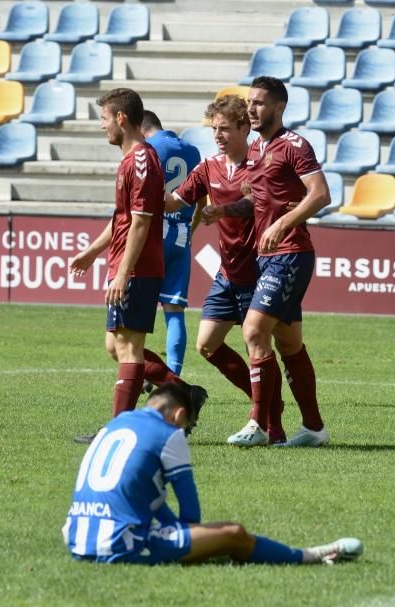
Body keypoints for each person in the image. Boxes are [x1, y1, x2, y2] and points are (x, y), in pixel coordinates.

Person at [63, 383, 364, 565]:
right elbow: (191, 514)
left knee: (208, 535)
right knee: (234, 534)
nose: (185, 432)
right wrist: (189, 540)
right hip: (118, 545)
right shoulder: (169, 433)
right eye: (187, 426)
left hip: (76, 536)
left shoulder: (114, 424)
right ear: (180, 415)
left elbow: (140, 494)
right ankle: (314, 554)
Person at [202, 76, 331, 448]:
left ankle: (258, 425)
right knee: (289, 345)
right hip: (268, 256)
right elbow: (257, 202)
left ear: (279, 107)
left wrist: (283, 222)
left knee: (254, 332)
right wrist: (225, 209)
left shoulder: (294, 145)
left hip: (290, 253)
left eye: (259, 103)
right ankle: (314, 429)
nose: (252, 108)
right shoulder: (257, 149)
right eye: (250, 102)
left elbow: (320, 194)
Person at [166, 94, 287, 445]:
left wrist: (226, 209)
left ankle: (268, 422)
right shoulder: (208, 167)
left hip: (261, 270)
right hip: (228, 273)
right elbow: (177, 200)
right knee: (207, 344)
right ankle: (266, 402)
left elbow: (260, 204)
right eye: (214, 129)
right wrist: (144, 196)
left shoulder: (260, 165)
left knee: (258, 346)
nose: (217, 135)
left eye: (225, 129)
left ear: (245, 128)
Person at [68, 88, 166, 428]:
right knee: (116, 345)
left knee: (128, 349)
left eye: (104, 118)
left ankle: (118, 429)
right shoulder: (131, 160)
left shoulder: (140, 161)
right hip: (128, 264)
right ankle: (182, 392)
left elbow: (141, 222)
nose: (102, 126)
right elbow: (123, 218)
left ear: (121, 118)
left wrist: (124, 273)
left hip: (136, 268)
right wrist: (93, 252)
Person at [140, 110, 202, 377]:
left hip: (153, 232)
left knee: (136, 310)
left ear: (141, 128)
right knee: (174, 311)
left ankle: (139, 371)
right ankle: (174, 375)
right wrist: (190, 231)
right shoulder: (193, 151)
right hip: (182, 233)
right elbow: (202, 201)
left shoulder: (146, 149)